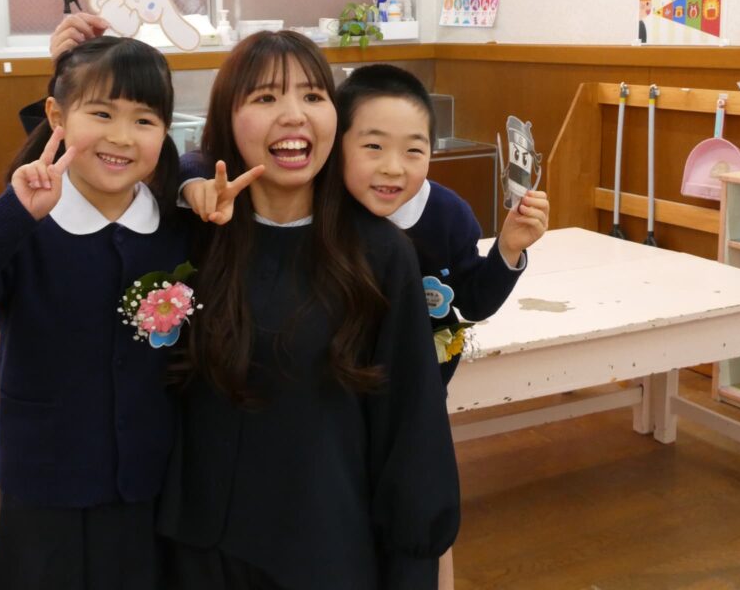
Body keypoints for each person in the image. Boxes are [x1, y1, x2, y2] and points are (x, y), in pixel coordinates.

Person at [158, 30, 460, 590]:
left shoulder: (378, 252)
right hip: (202, 548)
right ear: (228, 118)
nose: (294, 115)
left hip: (323, 544)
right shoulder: (191, 236)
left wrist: (415, 555)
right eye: (265, 97)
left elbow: (410, 425)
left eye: (313, 96)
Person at [0, 36, 190, 590]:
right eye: (101, 113)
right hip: (46, 483)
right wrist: (11, 216)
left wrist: (195, 182)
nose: (121, 137)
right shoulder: (27, 224)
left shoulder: (177, 226)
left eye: (144, 120)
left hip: (151, 484)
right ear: (57, 115)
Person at [335, 64, 549, 589]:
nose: (393, 168)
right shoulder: (326, 212)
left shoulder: (449, 214)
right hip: (337, 406)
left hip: (420, 403)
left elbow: (472, 301)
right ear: (336, 145)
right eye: (372, 146)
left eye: (414, 150)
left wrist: (509, 249)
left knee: (424, 516)